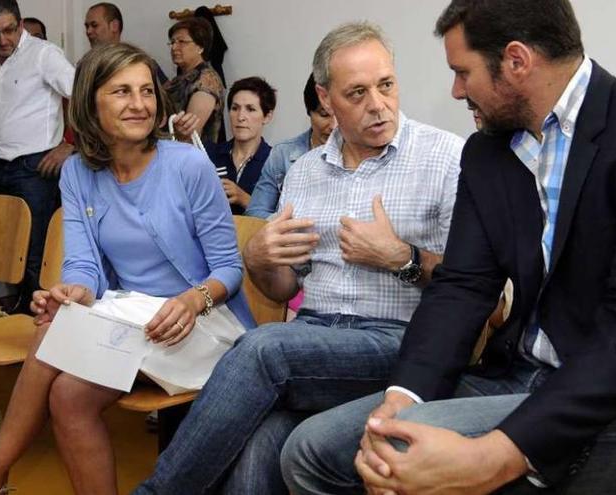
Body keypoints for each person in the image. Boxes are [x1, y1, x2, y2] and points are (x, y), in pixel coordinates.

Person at [281, 1, 616, 494]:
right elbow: (463, 287)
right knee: (312, 449)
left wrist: (495, 456)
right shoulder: (489, 151)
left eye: (462, 72)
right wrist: (402, 397)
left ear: (516, 61)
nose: (455, 90)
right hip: (515, 376)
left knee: (405, 465)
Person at [135, 21, 463, 495]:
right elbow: (285, 289)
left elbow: (474, 288)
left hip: (397, 342)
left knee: (264, 348)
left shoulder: (445, 157)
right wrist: (260, 259)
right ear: (326, 99)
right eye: (357, 93)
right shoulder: (305, 171)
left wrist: (402, 257)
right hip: (313, 340)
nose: (378, 104)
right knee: (256, 454)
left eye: (386, 85)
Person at [0, 42, 255, 495]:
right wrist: (71, 292)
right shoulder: (78, 172)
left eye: (146, 91)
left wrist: (194, 299)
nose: (139, 104)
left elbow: (229, 269)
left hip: (201, 322)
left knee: (50, 338)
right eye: (121, 92)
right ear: (90, 103)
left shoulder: (189, 165)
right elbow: (82, 265)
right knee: (66, 390)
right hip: (132, 317)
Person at [0, 0, 75, 306]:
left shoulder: (45, 54)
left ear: (20, 25)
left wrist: (70, 144)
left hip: (35, 167)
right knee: (0, 250)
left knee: (34, 255)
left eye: (8, 30)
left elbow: (82, 96)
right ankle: (10, 324)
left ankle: (33, 334)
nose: (2, 40)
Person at [246, 73, 336, 219]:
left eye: (340, 115)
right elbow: (255, 212)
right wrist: (288, 223)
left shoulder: (361, 153)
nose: (333, 125)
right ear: (309, 111)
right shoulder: (283, 154)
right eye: (324, 115)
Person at [205, 76, 276, 215]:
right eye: (235, 108)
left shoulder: (275, 161)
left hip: (255, 234)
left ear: (267, 116)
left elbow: (281, 217)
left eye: (250, 109)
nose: (240, 117)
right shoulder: (209, 154)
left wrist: (245, 199)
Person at [163, 17, 225, 144]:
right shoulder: (179, 79)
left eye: (182, 42)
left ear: (200, 47)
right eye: (172, 42)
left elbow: (190, 133)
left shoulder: (207, 80)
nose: (174, 47)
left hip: (190, 157)